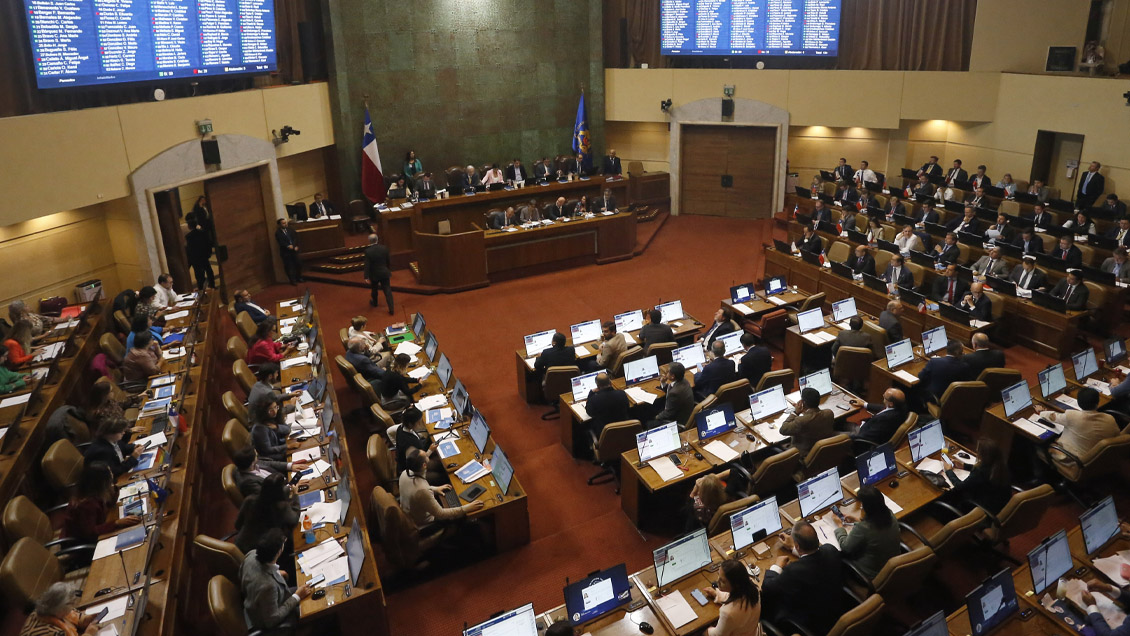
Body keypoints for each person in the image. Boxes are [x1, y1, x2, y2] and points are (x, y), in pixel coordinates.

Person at [762, 520, 845, 636]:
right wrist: (793, 547)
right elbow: (816, 555)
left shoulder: (794, 571)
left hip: (812, 623)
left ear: (798, 545)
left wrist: (776, 566)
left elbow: (768, 588)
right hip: (835, 609)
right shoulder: (831, 550)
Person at [239, 528, 311, 635]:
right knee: (312, 607)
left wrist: (276, 573)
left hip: (258, 601)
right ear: (278, 552)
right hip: (270, 622)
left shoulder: (251, 555)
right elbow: (272, 619)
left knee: (306, 588)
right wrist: (296, 597)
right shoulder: (268, 586)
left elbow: (243, 575)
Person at [1034, 387, 1119, 477]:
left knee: (1037, 446)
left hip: (1078, 462)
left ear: (1079, 403)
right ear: (1097, 402)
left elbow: (1053, 416)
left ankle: (1042, 478)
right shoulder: (1110, 419)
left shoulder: (1073, 416)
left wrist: (1041, 411)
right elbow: (1117, 435)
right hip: (1103, 459)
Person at [831, 484, 901, 580]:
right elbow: (874, 529)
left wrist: (839, 526)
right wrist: (858, 521)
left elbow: (845, 547)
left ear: (868, 509)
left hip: (869, 575)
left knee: (837, 559)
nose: (861, 508)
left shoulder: (863, 528)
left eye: (862, 506)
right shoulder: (889, 513)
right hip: (892, 567)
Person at [398, 448, 483, 526]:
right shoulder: (423, 490)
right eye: (426, 456)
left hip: (410, 511)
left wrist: (435, 489)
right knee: (465, 517)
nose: (428, 456)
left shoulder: (405, 473)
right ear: (424, 465)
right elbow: (441, 514)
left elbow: (416, 490)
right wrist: (466, 508)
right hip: (426, 522)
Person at [63, 463, 140, 543]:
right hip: (80, 542)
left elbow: (110, 504)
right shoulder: (86, 505)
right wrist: (116, 523)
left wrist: (112, 489)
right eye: (109, 477)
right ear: (101, 484)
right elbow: (90, 533)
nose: (112, 475)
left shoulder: (93, 492)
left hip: (101, 524)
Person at [233, 474, 300, 554]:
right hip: (264, 553)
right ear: (280, 491)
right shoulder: (280, 507)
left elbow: (237, 525)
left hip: (240, 546)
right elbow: (294, 519)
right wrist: (295, 495)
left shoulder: (249, 500)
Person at [944, 437, 1012, 514]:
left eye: (978, 451)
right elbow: (986, 469)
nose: (976, 451)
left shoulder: (979, 472)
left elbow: (960, 486)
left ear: (983, 456)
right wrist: (964, 466)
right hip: (999, 505)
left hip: (982, 509)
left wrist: (949, 471)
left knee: (951, 494)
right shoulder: (1001, 466)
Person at [702, 559, 761, 636]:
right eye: (718, 575)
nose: (717, 581)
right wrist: (717, 594)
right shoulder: (754, 589)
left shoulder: (728, 613)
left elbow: (717, 635)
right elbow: (736, 596)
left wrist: (707, 631)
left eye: (723, 581)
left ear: (735, 585)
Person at [19, 582, 102, 636]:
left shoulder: (53, 608)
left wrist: (87, 620)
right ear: (60, 608)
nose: (73, 606)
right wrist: (89, 634)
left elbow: (77, 617)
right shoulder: (50, 632)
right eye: (71, 603)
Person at [780, 388, 835, 458]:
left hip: (803, 454)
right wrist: (806, 412)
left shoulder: (801, 421)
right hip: (822, 453)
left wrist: (795, 412)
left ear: (803, 403)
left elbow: (783, 429)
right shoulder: (829, 413)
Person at [232, 447, 297, 498]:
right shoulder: (248, 483)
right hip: (283, 497)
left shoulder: (247, 464)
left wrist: (290, 466)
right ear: (252, 462)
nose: (257, 456)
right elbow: (270, 496)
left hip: (285, 482)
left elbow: (269, 464)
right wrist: (290, 487)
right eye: (256, 456)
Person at [653, 363, 694, 429]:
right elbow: (671, 388)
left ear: (672, 376)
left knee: (649, 421)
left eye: (667, 372)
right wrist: (663, 383)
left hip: (677, 420)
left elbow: (668, 413)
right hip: (681, 410)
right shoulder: (684, 381)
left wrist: (656, 417)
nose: (666, 373)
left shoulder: (674, 393)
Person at [363, 233, 394, 314]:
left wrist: (366, 276)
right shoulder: (384, 248)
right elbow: (388, 261)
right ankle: (391, 309)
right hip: (384, 272)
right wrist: (388, 269)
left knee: (374, 289)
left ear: (369, 241)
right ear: (377, 240)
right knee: (387, 290)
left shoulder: (368, 251)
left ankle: (375, 303)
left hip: (374, 274)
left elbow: (367, 265)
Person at [185, 213, 215, 290]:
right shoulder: (203, 232)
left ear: (189, 226)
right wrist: (209, 252)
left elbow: (190, 248)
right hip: (204, 255)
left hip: (195, 258)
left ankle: (201, 288)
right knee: (209, 270)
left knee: (199, 274)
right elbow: (208, 243)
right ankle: (212, 285)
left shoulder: (189, 236)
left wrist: (190, 258)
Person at [274, 218, 303, 285]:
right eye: (283, 223)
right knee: (289, 267)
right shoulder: (278, 233)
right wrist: (287, 246)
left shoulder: (290, 229)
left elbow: (296, 238)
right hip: (286, 252)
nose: (285, 224)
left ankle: (299, 277)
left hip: (294, 251)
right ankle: (292, 280)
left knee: (298, 264)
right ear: (279, 225)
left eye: (286, 222)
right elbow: (280, 242)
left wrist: (296, 246)